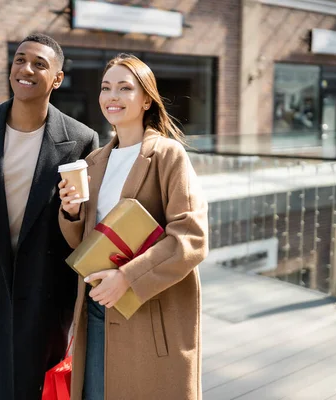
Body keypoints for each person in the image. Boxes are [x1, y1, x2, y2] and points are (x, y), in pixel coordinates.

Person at [0, 33, 99, 400]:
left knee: (47, 380)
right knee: (2, 376)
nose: (26, 69)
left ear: (58, 79)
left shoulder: (81, 139)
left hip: (50, 285)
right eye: (20, 60)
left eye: (39, 64)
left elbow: (85, 223)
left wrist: (73, 212)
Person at [58, 54, 209, 400]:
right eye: (106, 87)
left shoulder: (168, 155)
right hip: (97, 307)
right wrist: (70, 212)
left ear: (145, 100)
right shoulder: (94, 162)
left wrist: (127, 277)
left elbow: (192, 236)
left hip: (147, 310)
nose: (113, 96)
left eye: (125, 88)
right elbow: (81, 242)